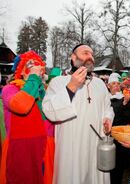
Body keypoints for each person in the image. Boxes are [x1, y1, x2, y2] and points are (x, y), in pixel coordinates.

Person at [42, 44, 114, 184]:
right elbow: (49, 111)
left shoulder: (99, 84)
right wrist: (72, 86)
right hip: (71, 148)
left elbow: (108, 107)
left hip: (96, 146)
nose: (90, 57)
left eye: (92, 54)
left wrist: (108, 118)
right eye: (85, 53)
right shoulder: (58, 82)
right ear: (73, 58)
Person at [0, 51, 54, 184]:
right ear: (22, 71)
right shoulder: (10, 89)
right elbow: (20, 106)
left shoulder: (44, 91)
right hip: (19, 150)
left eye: (38, 65)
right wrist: (34, 78)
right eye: (30, 64)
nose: (36, 67)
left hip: (41, 150)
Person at [107, 72, 130, 184]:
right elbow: (112, 118)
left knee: (118, 170)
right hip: (109, 138)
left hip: (121, 140)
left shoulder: (126, 98)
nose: (115, 85)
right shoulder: (106, 99)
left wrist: (126, 103)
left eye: (117, 83)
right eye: (113, 83)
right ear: (108, 85)